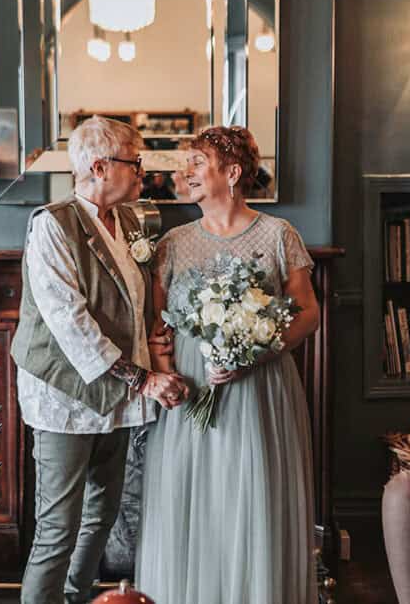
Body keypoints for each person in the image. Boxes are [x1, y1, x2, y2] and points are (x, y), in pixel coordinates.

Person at [135, 125, 320, 603]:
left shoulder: (280, 235)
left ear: (232, 172)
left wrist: (259, 351)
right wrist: (167, 372)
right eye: (187, 163)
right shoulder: (172, 243)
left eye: (197, 162)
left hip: (261, 388)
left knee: (254, 495)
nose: (185, 172)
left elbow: (309, 312)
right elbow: (157, 324)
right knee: (194, 498)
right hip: (193, 389)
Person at [12, 116, 189, 604]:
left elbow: (137, 301)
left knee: (102, 515)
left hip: (113, 395)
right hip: (64, 396)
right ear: (99, 166)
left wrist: (161, 342)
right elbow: (71, 323)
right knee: (57, 527)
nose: (142, 173)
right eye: (135, 163)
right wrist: (143, 380)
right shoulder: (52, 225)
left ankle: (76, 598)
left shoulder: (131, 221)